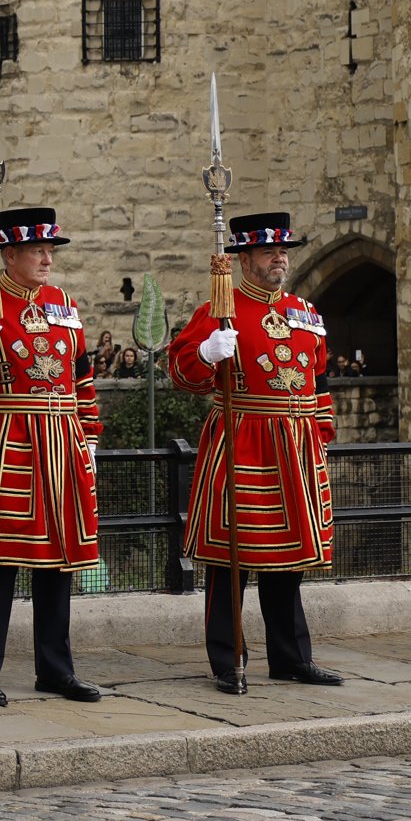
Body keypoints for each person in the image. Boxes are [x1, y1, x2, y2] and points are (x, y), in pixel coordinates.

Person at [167, 212, 343, 693]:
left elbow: (320, 379)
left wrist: (321, 433)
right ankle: (228, 659)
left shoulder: (305, 312)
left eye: (284, 251)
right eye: (269, 252)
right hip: (243, 438)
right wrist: (206, 354)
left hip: (295, 442)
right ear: (244, 260)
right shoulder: (219, 310)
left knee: (288, 560)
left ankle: (292, 657)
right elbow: (182, 374)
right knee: (231, 560)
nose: (280, 259)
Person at [0, 207, 103, 704]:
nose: (48, 259)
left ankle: (55, 668)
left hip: (62, 439)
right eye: (39, 251)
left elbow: (82, 377)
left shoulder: (64, 305)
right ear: (9, 255)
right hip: (10, 438)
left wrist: (90, 437)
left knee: (59, 561)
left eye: (51, 251)